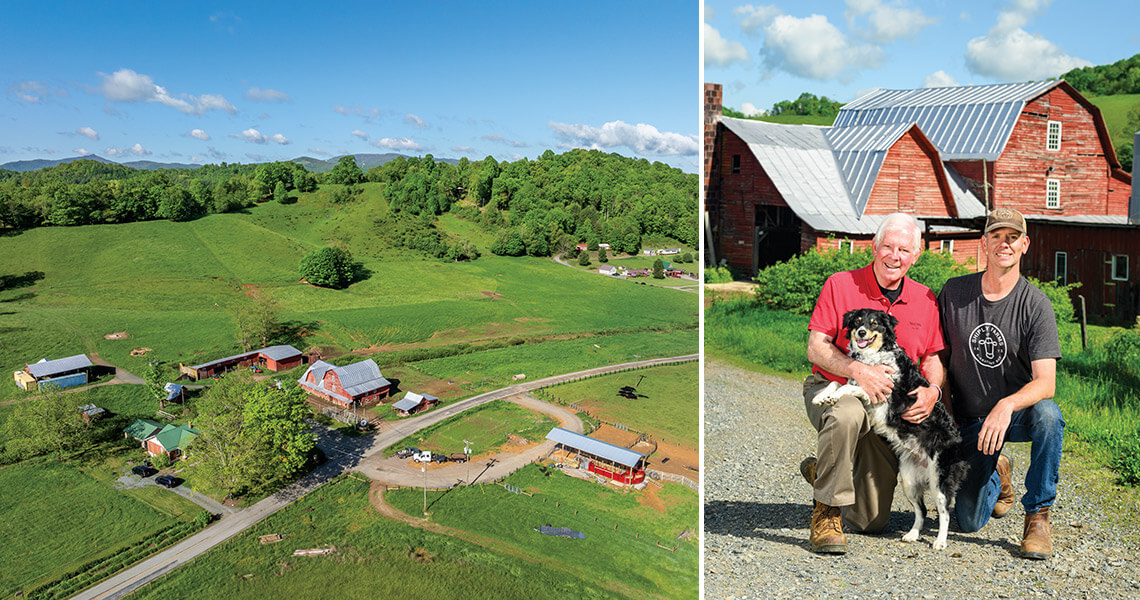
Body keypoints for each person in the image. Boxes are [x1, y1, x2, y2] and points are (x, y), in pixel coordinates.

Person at [800, 212, 946, 554]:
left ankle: (823, 469)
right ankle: (826, 513)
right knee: (846, 414)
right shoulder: (840, 284)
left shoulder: (925, 299)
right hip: (837, 389)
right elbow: (816, 346)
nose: (895, 256)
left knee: (871, 521)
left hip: (889, 410)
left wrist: (932, 391)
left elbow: (933, 359)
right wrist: (858, 371)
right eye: (888, 247)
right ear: (874, 247)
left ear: (916, 255)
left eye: (904, 250)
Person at [937, 207, 1063, 559]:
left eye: (1012, 237)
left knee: (1049, 415)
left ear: (1025, 244)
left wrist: (1005, 405)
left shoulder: (1035, 304)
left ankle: (1037, 517)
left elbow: (1046, 383)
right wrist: (944, 415)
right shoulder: (954, 293)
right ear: (984, 242)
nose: (1003, 244)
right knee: (968, 521)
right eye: (996, 236)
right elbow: (937, 359)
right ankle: (998, 473)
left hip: (1014, 415)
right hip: (968, 423)